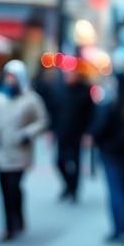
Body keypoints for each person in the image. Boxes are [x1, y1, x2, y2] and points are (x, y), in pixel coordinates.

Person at [0, 61, 48, 242]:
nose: (10, 80)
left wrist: (28, 133)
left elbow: (42, 121)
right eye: (7, 76)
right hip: (0, 151)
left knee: (13, 186)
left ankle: (16, 219)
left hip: (20, 152)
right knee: (3, 188)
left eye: (13, 76)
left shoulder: (31, 99)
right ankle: (9, 224)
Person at [90, 70, 124, 244]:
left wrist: (99, 141)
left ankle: (119, 228)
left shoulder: (110, 105)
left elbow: (99, 128)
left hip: (111, 154)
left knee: (116, 191)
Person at [51, 66, 94, 203]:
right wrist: (51, 130)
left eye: (72, 74)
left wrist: (89, 133)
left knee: (75, 162)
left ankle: (74, 190)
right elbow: (54, 110)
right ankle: (68, 185)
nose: (69, 77)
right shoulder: (59, 90)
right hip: (62, 132)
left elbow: (92, 114)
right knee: (59, 162)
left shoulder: (85, 91)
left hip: (78, 133)